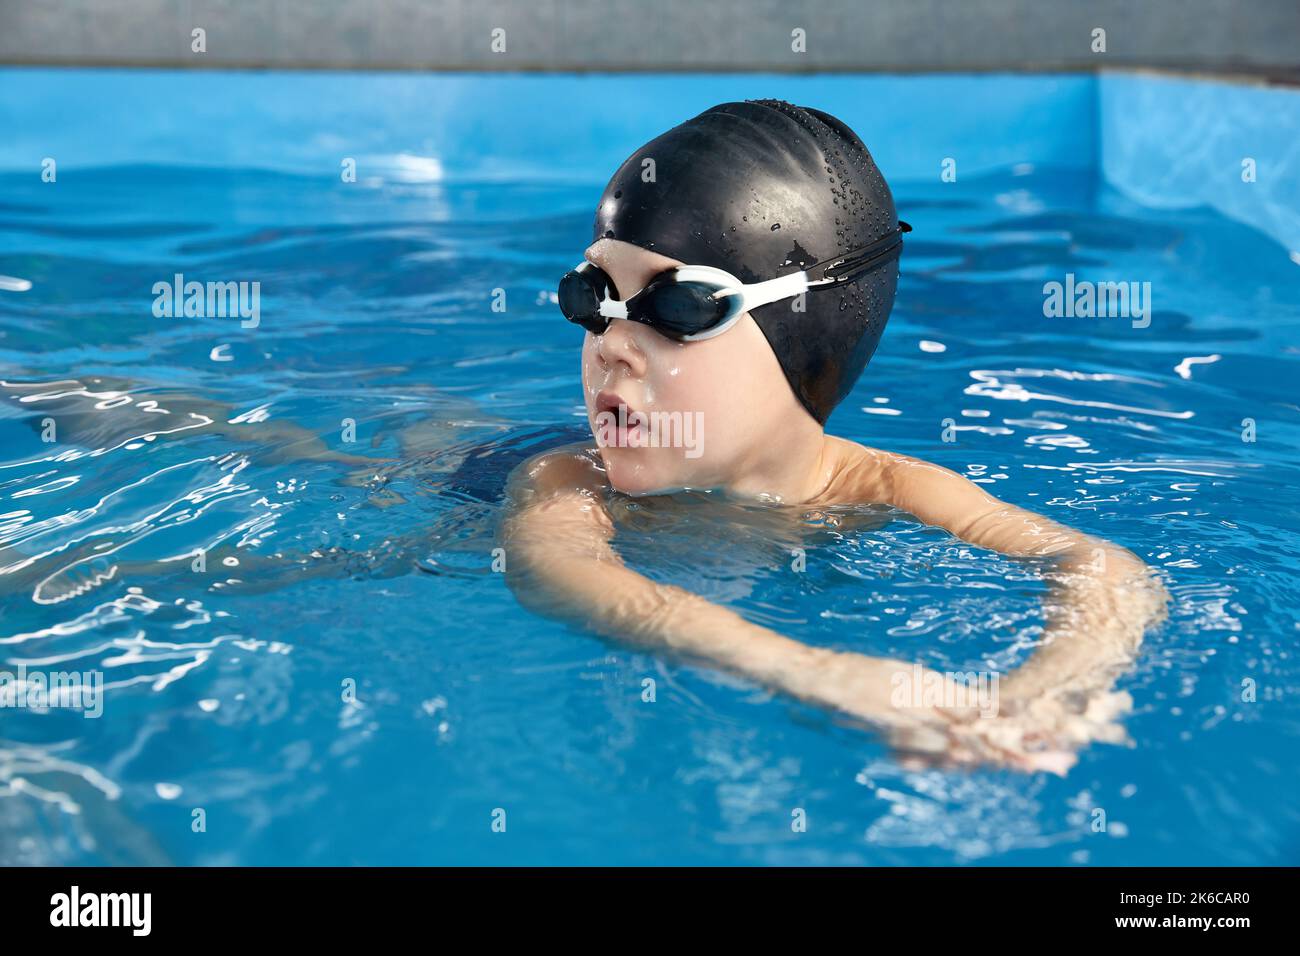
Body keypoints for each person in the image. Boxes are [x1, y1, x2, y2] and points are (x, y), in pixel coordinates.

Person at [501, 99, 1168, 775]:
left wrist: (1040, 697)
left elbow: (1104, 570)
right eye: (593, 295)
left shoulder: (883, 487)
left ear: (807, 335)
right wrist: (815, 671)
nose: (612, 345)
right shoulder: (563, 480)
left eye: (678, 308)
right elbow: (561, 569)